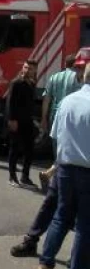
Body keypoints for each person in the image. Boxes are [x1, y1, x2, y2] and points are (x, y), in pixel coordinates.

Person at [36, 64, 90, 269]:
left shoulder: (67, 101)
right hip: (87, 170)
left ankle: (46, 264)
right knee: (85, 226)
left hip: (66, 168)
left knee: (61, 216)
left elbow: (56, 135)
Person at [38, 54, 84, 191]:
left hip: (55, 116)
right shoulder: (77, 78)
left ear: (65, 63)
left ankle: (51, 176)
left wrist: (43, 118)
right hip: (71, 117)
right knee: (68, 151)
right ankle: (57, 182)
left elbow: (46, 100)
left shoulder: (54, 77)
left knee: (57, 149)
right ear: (75, 65)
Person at [6, 60, 38, 187]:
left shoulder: (32, 83)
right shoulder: (16, 82)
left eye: (30, 68)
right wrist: (12, 120)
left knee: (29, 149)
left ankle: (25, 176)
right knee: (14, 148)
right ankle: (12, 176)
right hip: (16, 121)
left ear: (35, 70)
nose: (27, 70)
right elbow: (10, 102)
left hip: (28, 121)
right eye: (25, 67)